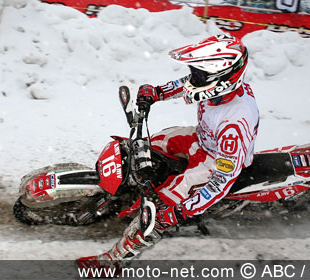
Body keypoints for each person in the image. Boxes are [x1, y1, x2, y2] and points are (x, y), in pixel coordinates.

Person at [77, 34, 259, 267]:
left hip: (216, 161)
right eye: (196, 72)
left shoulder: (234, 124)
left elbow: (221, 182)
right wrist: (157, 92)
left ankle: (113, 262)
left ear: (221, 79)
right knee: (145, 146)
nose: (195, 77)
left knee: (162, 207)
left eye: (201, 74)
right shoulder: (218, 90)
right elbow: (188, 82)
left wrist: (180, 212)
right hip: (203, 138)